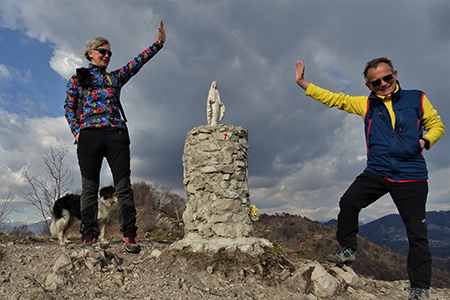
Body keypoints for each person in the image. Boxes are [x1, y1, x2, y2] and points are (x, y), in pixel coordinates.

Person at [294, 58, 445, 300]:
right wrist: (303, 83)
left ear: (395, 74)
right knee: (349, 201)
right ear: (369, 85)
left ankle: (419, 289)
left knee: (417, 233)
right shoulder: (366, 104)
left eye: (387, 78)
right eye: (376, 82)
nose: (383, 83)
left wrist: (424, 141)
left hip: (411, 175)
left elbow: (437, 125)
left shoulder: (417, 98)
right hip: (378, 171)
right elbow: (335, 99)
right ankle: (348, 248)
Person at [64, 20, 166, 253]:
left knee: (124, 185)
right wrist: (76, 131)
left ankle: (129, 235)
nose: (107, 56)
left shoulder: (115, 78)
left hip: (116, 134)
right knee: (89, 187)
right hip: (88, 135)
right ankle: (89, 235)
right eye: (103, 52)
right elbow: (68, 107)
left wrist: (158, 44)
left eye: (110, 53)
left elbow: (136, 64)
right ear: (90, 54)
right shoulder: (77, 79)